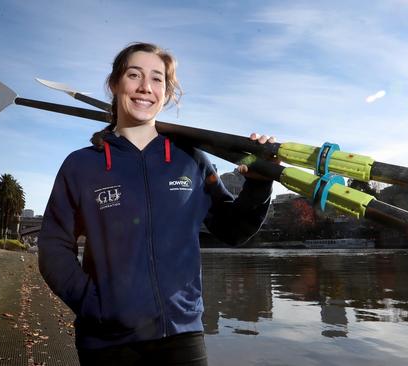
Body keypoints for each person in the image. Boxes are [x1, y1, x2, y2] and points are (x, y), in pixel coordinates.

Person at [38, 42, 274, 366]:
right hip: (107, 342)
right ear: (115, 84)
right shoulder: (81, 166)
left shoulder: (190, 160)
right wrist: (95, 304)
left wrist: (259, 185)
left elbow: (233, 230)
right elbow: (53, 245)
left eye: (157, 79)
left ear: (167, 92)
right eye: (134, 75)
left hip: (182, 337)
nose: (145, 87)